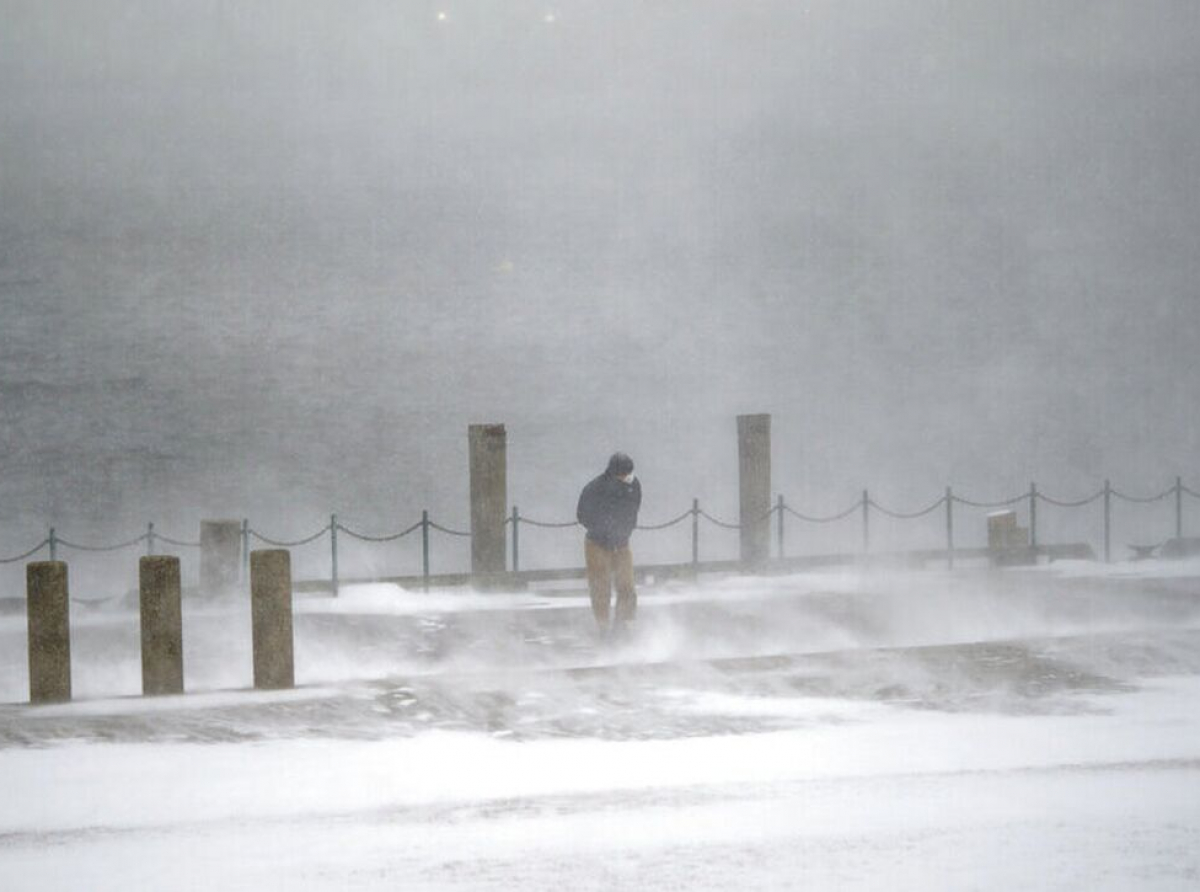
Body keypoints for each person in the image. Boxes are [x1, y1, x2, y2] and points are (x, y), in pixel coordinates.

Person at [576, 452, 642, 634]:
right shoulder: (594, 488)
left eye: (629, 472)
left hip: (622, 542)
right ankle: (603, 627)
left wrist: (626, 529)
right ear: (614, 473)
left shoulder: (634, 485)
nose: (627, 477)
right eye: (624, 473)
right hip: (597, 543)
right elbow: (582, 515)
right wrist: (603, 527)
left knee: (627, 585)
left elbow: (635, 508)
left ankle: (623, 625)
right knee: (600, 587)